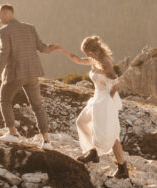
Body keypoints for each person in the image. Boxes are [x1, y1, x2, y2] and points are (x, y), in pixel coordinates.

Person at [54, 35, 129, 179]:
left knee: (111, 135)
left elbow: (116, 83)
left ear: (93, 50)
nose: (85, 55)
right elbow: (77, 60)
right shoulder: (93, 59)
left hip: (106, 100)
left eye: (86, 52)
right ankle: (93, 152)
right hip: (97, 98)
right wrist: (62, 50)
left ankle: (122, 168)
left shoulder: (105, 63)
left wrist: (109, 99)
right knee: (81, 122)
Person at [0, 3, 55, 148]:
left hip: (16, 73)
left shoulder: (4, 31)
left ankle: (12, 133)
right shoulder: (30, 28)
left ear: (6, 13)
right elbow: (43, 48)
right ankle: (47, 140)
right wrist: (52, 48)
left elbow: (3, 55)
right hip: (33, 73)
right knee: (37, 106)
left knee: (4, 100)